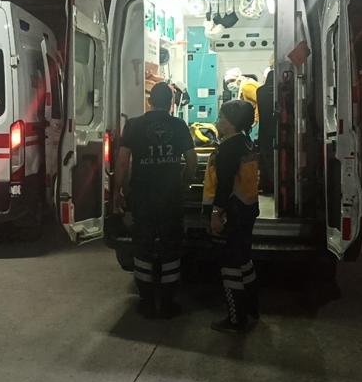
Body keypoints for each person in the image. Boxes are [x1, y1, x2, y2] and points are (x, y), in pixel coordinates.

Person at [113, 82, 198, 318]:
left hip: (142, 196)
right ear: (171, 103)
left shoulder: (133, 125)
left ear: (150, 101)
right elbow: (192, 161)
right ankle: (168, 303)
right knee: (171, 248)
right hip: (171, 196)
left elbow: (122, 162)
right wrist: (184, 183)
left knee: (143, 247)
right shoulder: (179, 125)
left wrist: (117, 191)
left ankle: (147, 302)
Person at [204, 100, 260, 333]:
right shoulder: (246, 143)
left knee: (230, 265)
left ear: (231, 122)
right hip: (248, 209)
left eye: (221, 117)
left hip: (233, 213)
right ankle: (252, 307)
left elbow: (225, 185)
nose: (218, 121)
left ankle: (236, 319)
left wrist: (216, 214)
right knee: (244, 260)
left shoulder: (228, 149)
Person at [256, 70, 275, 195]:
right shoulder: (278, 92)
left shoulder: (260, 91)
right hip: (276, 128)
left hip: (263, 129)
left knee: (264, 157)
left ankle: (265, 185)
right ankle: (274, 184)